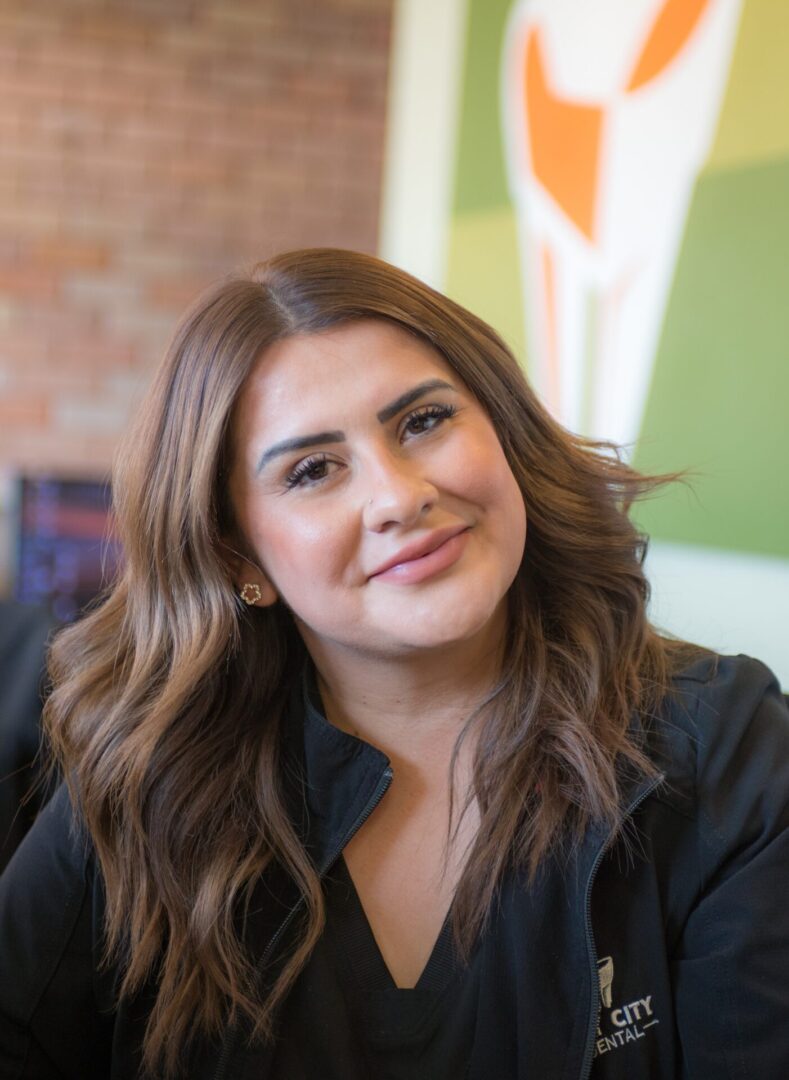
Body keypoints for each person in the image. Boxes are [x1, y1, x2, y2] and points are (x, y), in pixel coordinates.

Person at [0, 249, 787, 1080]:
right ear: (240, 558)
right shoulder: (140, 786)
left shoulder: (720, 746)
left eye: (422, 421)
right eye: (312, 470)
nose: (398, 494)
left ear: (505, 433)